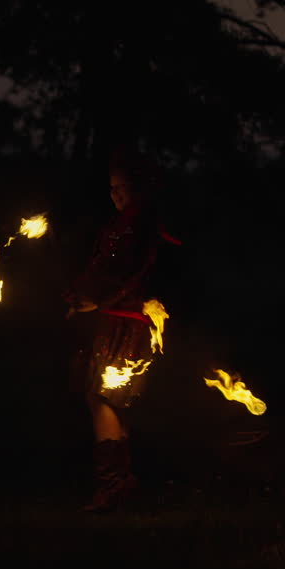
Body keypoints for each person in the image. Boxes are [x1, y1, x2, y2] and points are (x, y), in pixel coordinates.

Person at [64, 144, 178, 513]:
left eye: (123, 187)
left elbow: (136, 273)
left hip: (129, 323)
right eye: (111, 187)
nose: (115, 194)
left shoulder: (143, 224)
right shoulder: (116, 225)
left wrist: (102, 300)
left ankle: (114, 486)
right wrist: (79, 294)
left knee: (103, 398)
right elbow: (101, 268)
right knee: (107, 399)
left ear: (140, 187)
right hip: (112, 320)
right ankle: (122, 485)